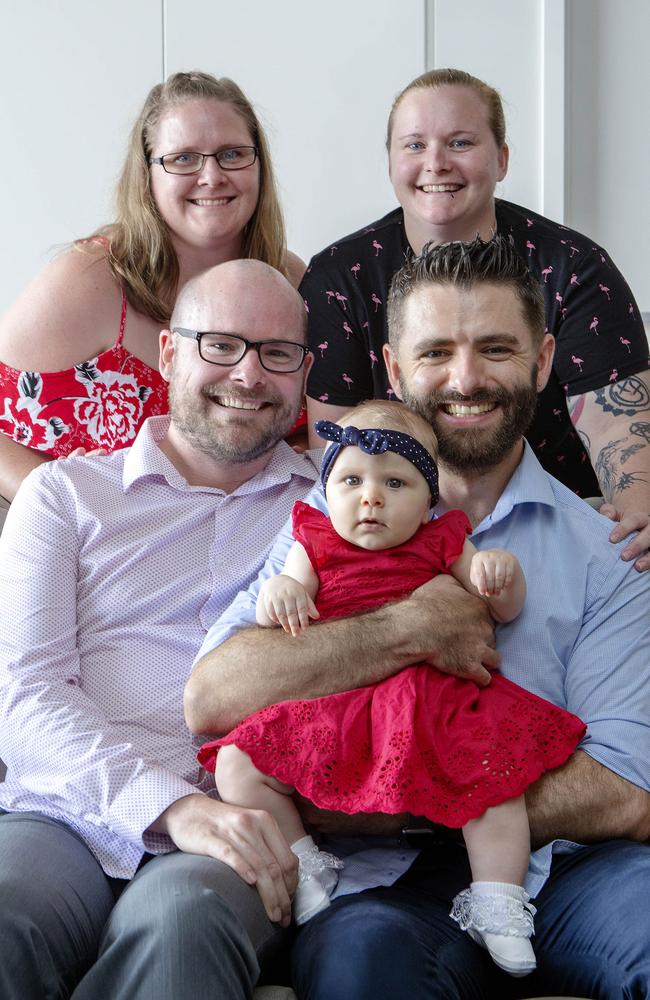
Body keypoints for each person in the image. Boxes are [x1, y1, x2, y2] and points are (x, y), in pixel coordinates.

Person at [186, 237, 650, 1000]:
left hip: (572, 874)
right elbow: (213, 698)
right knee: (362, 971)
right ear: (397, 371)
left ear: (540, 363)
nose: (465, 379)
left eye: (496, 348)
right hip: (388, 890)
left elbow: (627, 791)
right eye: (436, 352)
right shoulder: (325, 522)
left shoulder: (608, 550)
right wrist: (407, 628)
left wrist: (394, 785)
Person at [0, 260, 319, 1000]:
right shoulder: (66, 495)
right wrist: (174, 808)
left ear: (303, 375)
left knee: (182, 925)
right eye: (221, 345)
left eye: (276, 354)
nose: (248, 374)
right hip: (65, 814)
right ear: (169, 354)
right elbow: (24, 696)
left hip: (240, 828)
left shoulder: (337, 510)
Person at [198, 400, 586, 976]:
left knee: (495, 776)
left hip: (430, 699)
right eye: (351, 480)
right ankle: (306, 863)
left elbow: (502, 608)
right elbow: (272, 610)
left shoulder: (443, 541)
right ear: (327, 491)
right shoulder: (313, 540)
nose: (370, 497)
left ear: (430, 501)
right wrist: (280, 593)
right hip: (341, 699)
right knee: (236, 764)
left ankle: (499, 899)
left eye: (394, 482)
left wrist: (499, 577)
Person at [300, 67, 650, 571]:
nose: (436, 163)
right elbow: (337, 456)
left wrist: (635, 527)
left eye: (460, 142)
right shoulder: (339, 278)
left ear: (502, 158)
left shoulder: (575, 268)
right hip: (400, 532)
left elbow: (621, 435)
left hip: (559, 530)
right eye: (414, 145)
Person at [0, 70, 305, 505]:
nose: (212, 176)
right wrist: (55, 496)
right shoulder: (92, 278)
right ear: (147, 174)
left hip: (249, 544)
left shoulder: (291, 281)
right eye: (183, 158)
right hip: (103, 544)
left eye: (233, 154)